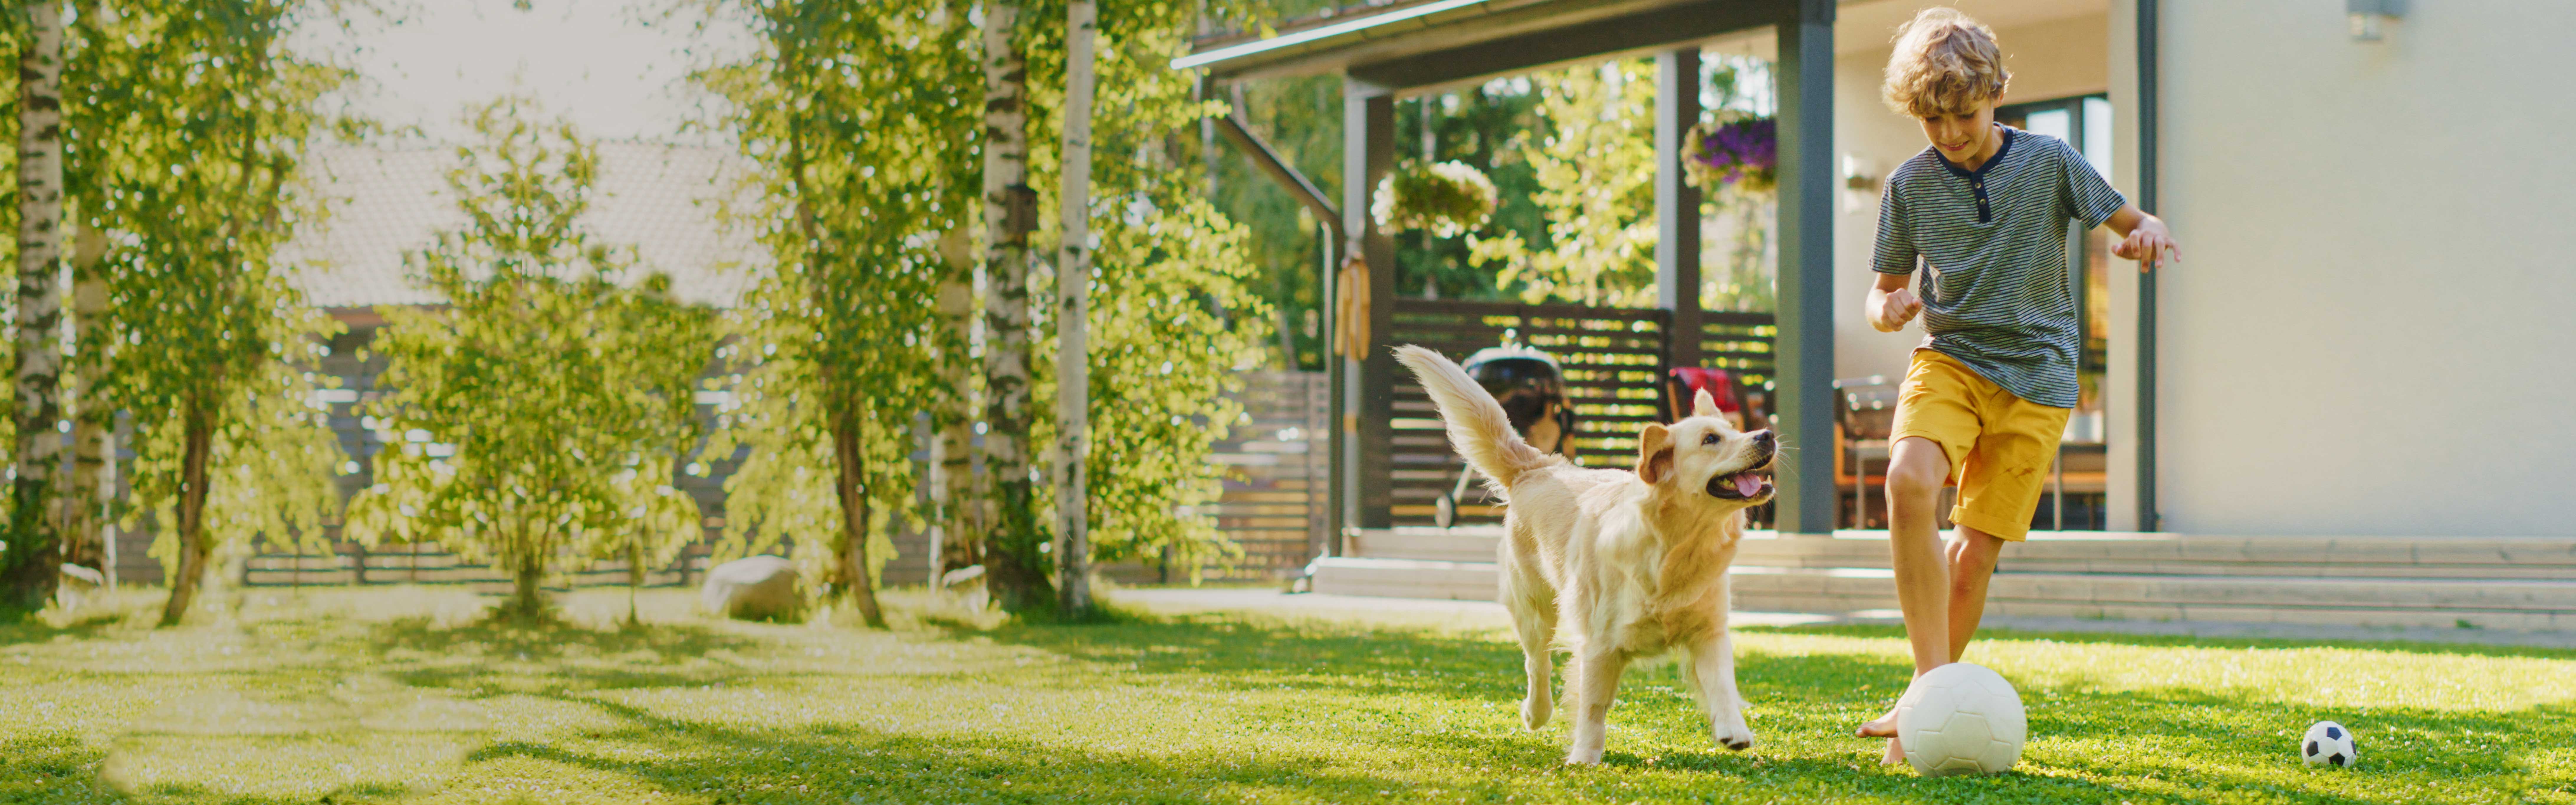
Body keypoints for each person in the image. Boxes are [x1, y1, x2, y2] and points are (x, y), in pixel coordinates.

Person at [1856, 7, 2179, 765]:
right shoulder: (1908, 185)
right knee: (1908, 480)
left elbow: (2136, 221)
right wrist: (1890, 307)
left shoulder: (2052, 161)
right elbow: (1881, 296)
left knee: (1974, 553)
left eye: (1963, 114)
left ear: (1996, 94)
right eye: (1932, 119)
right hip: (1953, 359)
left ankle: (1917, 704)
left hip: (2037, 377)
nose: (1950, 134)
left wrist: (2148, 237)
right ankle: (1931, 694)